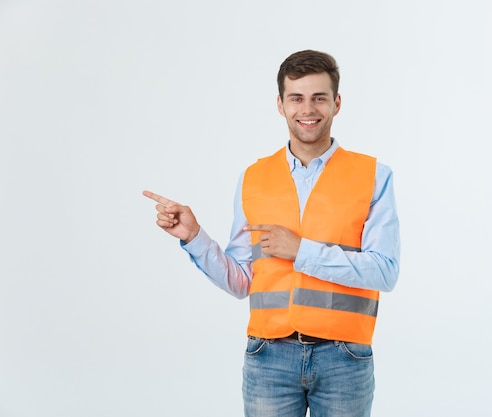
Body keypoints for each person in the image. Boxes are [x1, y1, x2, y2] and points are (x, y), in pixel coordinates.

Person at [143, 49, 400, 417]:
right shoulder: (254, 178)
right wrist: (194, 236)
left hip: (345, 356)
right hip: (268, 358)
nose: (307, 109)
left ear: (336, 103)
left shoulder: (375, 176)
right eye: (296, 98)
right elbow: (242, 281)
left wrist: (301, 250)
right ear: (280, 105)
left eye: (318, 98)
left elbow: (385, 271)